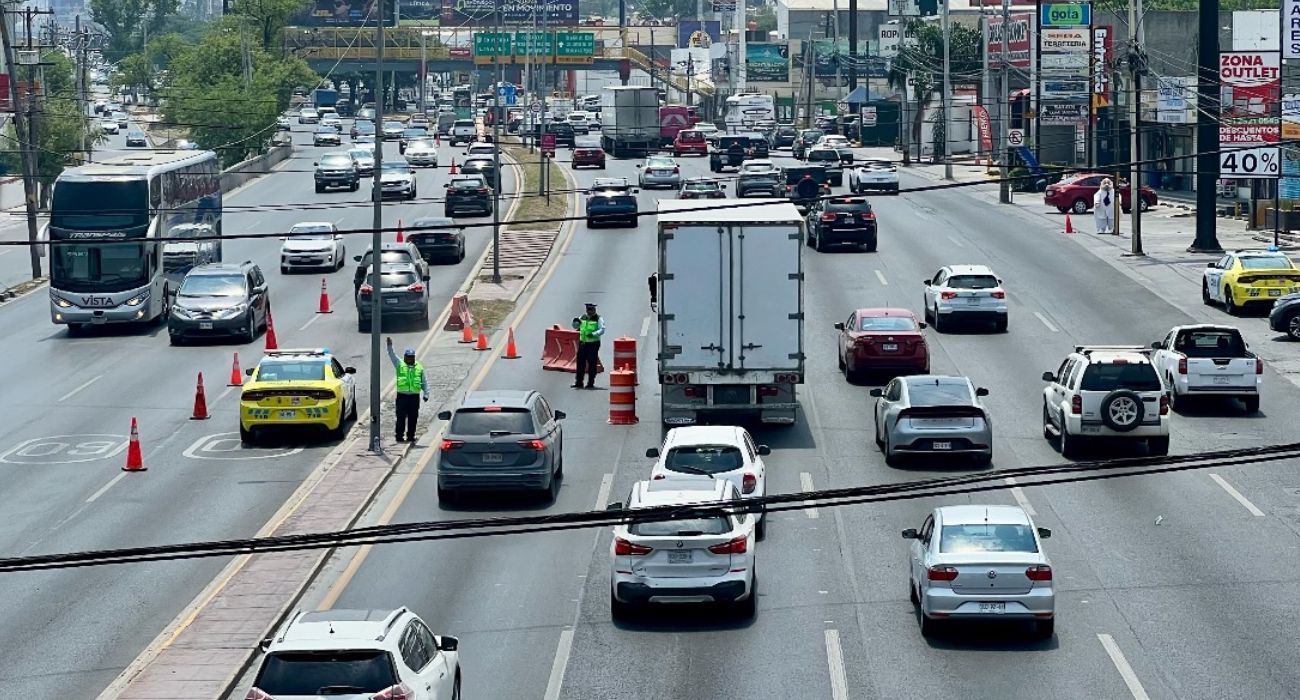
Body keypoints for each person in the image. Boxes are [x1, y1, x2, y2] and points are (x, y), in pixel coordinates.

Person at [386, 337, 429, 442]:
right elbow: (392, 355)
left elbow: (424, 382)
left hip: (414, 397)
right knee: (400, 417)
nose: (409, 359)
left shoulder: (419, 367)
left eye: (411, 357)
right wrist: (389, 346)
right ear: (405, 357)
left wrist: (426, 394)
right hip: (402, 397)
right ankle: (399, 436)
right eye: (408, 357)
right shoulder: (399, 364)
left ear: (414, 357)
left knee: (413, 417)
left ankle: (411, 436)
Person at [571, 302, 606, 389]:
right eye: (588, 309)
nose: (589, 311)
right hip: (583, 343)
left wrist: (593, 334)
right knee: (580, 363)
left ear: (594, 310)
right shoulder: (582, 317)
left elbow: (602, 330)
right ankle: (579, 382)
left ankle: (590, 383)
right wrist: (575, 323)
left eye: (591, 309)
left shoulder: (598, 318)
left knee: (592, 363)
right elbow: (576, 327)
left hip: (593, 344)